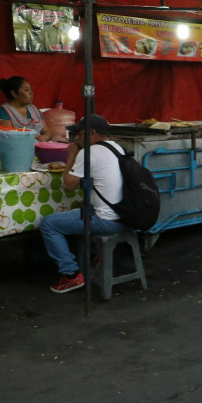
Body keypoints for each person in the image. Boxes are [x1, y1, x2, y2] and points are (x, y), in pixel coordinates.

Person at [38, 115, 126, 293]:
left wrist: (71, 156)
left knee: (48, 224)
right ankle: (96, 255)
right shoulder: (118, 148)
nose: (76, 138)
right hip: (126, 215)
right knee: (82, 208)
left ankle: (70, 275)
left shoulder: (89, 152)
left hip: (107, 220)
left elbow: (69, 186)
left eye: (78, 134)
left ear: (92, 134)